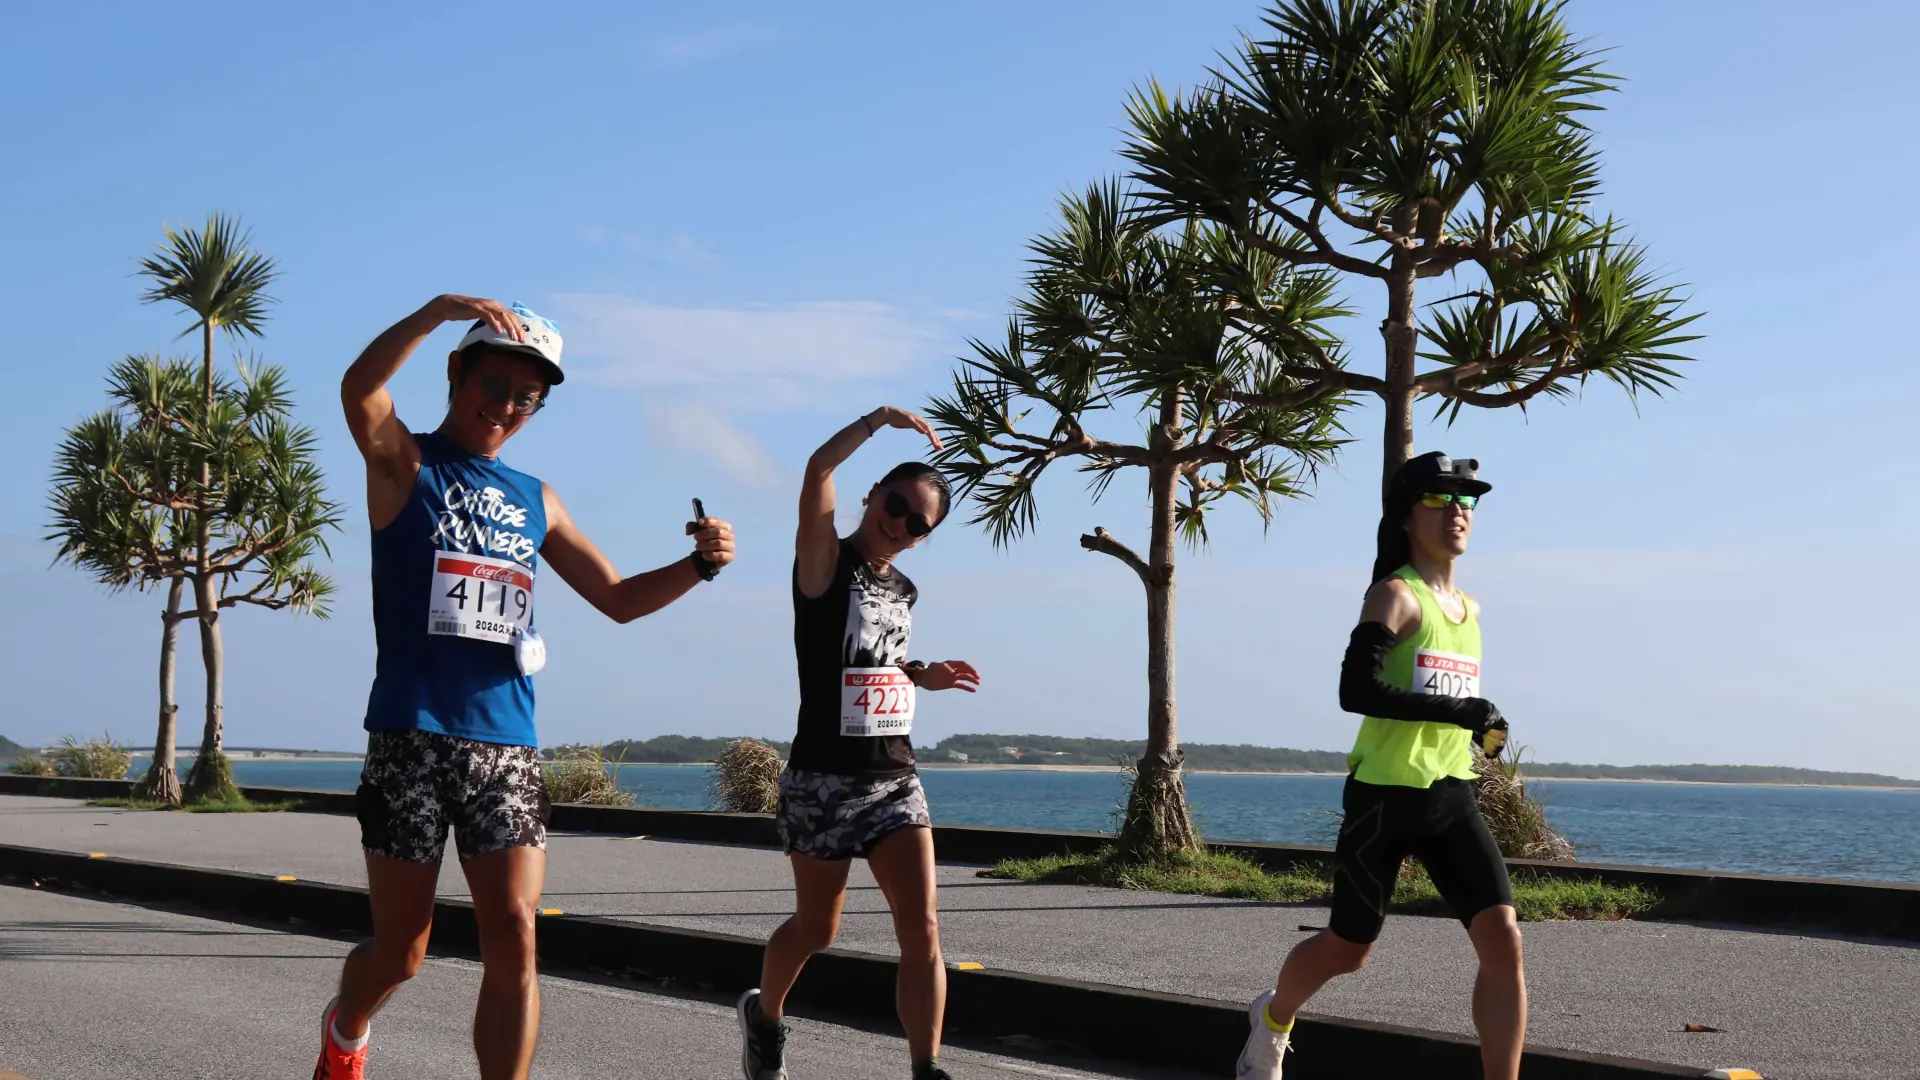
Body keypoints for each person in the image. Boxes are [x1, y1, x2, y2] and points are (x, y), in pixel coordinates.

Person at [316, 294, 736, 1080]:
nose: (506, 406)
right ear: (456, 373)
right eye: (495, 384)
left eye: (527, 397)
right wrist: (435, 312)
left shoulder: (536, 498)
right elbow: (359, 389)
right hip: (410, 736)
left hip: (506, 744)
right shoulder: (405, 462)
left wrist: (699, 567)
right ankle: (346, 1028)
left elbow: (617, 597)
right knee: (403, 954)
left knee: (515, 931)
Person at [1237, 451, 1523, 1080]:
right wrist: (1458, 711)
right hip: (1384, 800)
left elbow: (1445, 702)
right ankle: (1273, 1021)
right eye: (1439, 499)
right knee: (1349, 950)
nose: (1457, 511)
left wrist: (1481, 726)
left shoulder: (1470, 610)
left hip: (1451, 797)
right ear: (1405, 518)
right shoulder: (1395, 595)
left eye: (1467, 501)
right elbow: (1355, 691)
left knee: (1504, 941)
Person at [737, 406, 981, 1080]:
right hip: (821, 779)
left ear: (923, 538)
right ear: (873, 494)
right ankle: (764, 1017)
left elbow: (878, 662)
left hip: (893, 778)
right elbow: (817, 468)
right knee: (817, 930)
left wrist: (920, 674)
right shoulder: (824, 563)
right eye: (895, 505)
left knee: (922, 926)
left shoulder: (903, 589)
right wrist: (877, 420)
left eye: (917, 523)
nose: (899, 524)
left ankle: (926, 1066)